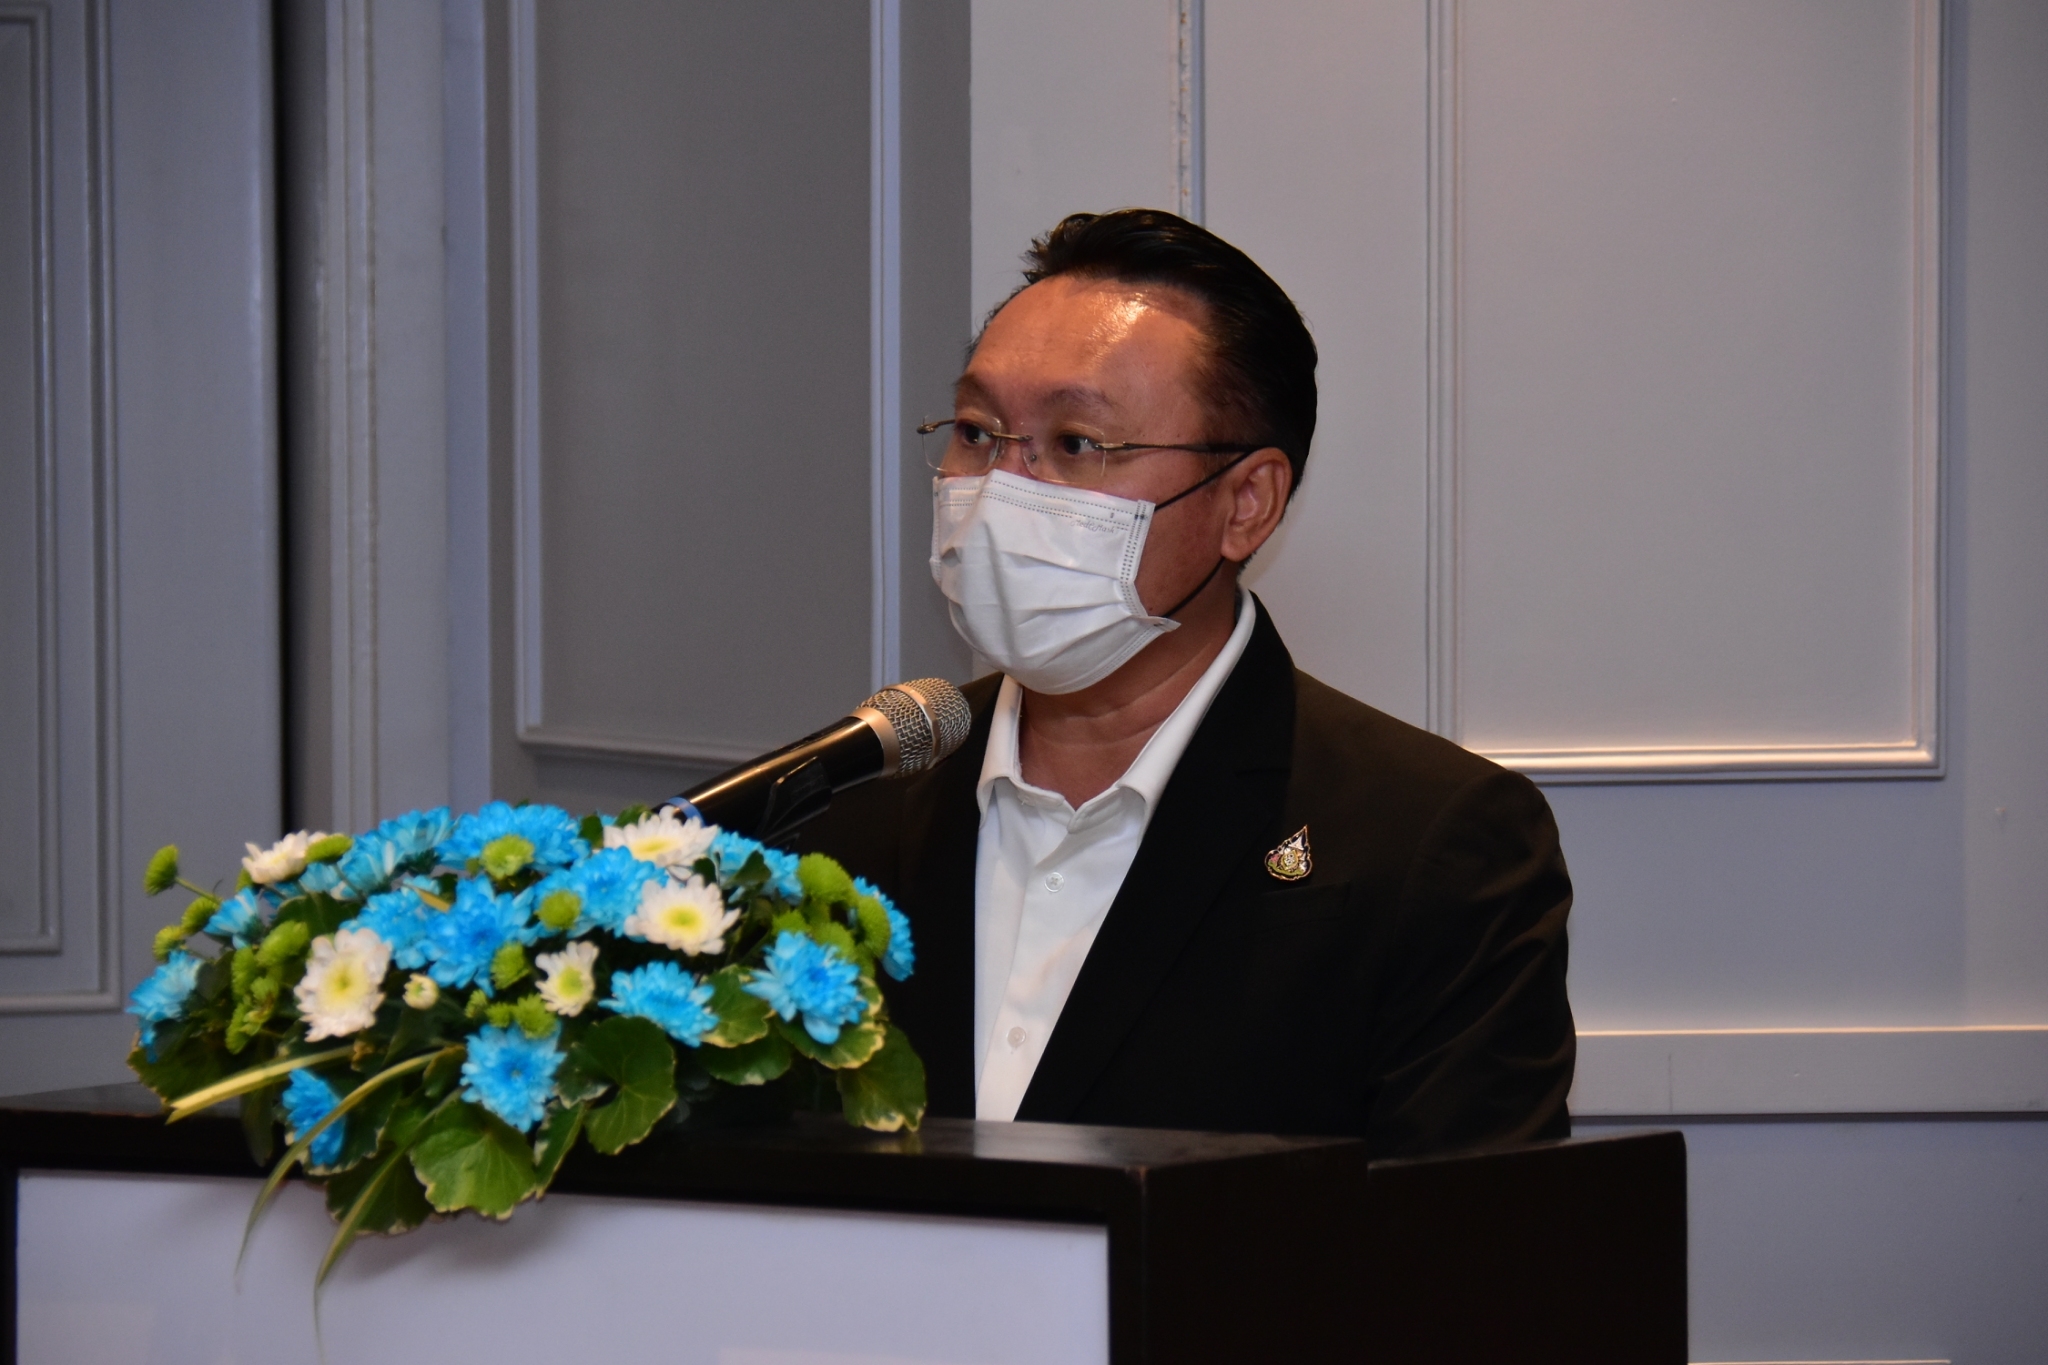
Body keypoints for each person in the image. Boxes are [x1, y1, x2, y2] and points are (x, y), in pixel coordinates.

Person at [799, 209, 1573, 1156]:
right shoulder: (848, 808)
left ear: (1246, 503)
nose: (1002, 489)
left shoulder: (1431, 845)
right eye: (976, 431)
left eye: (1076, 443)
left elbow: (1470, 1236)